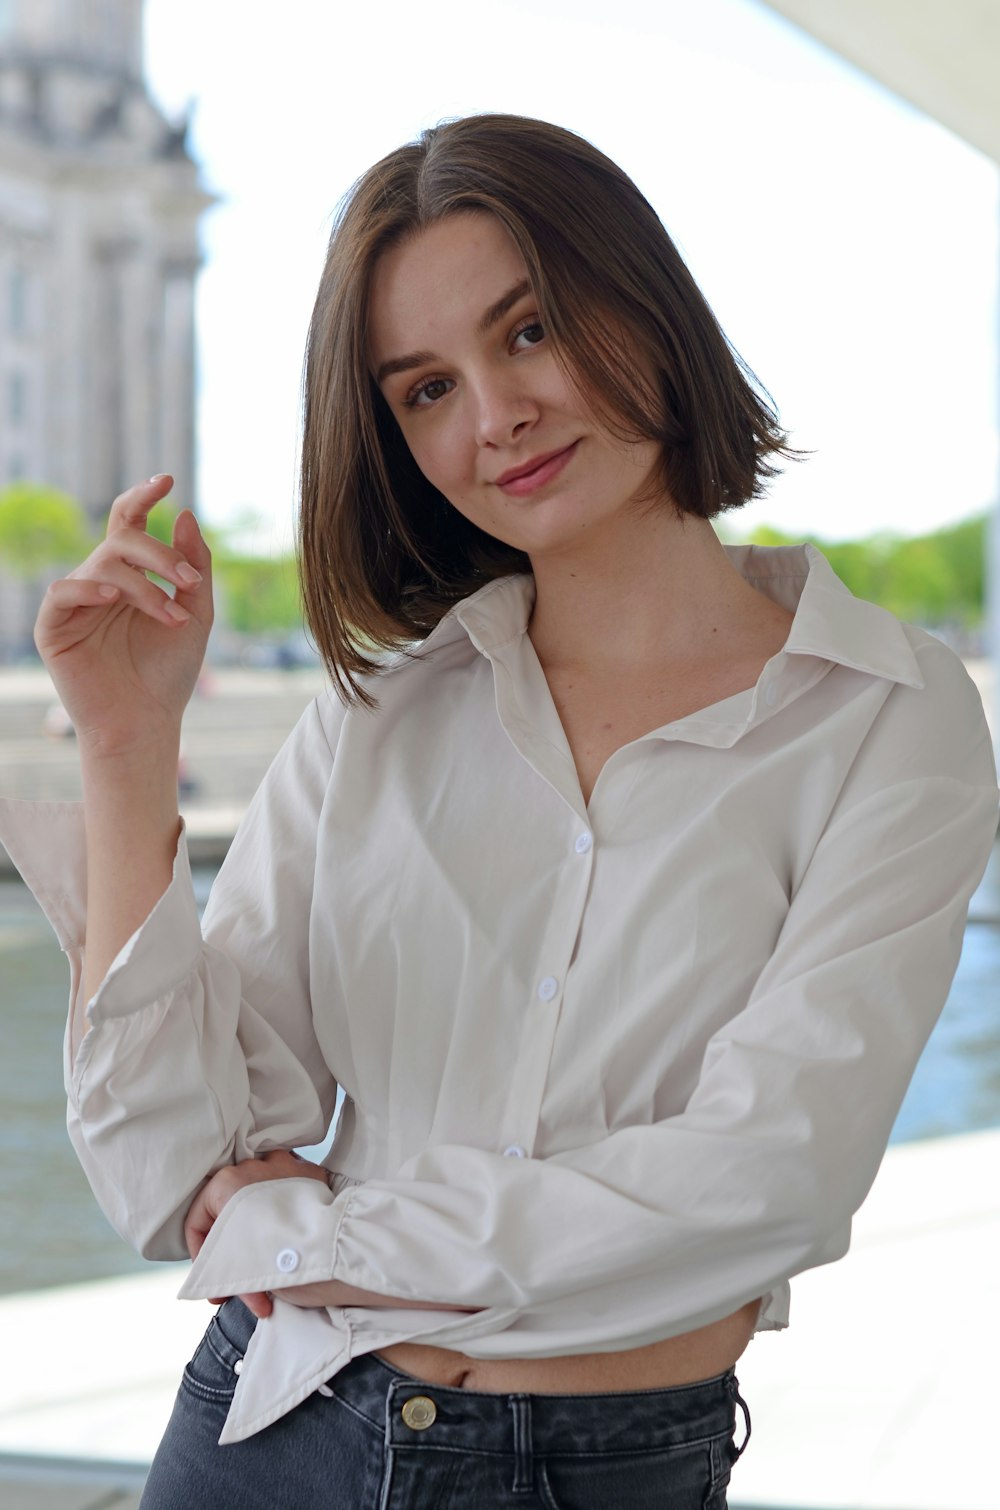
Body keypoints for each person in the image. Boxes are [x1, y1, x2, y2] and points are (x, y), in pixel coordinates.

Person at [1, 113, 997, 1510]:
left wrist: (322, 1237)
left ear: (639, 301)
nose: (494, 415)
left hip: (601, 1467)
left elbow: (769, 1173)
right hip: (266, 1428)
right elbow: (173, 1169)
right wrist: (123, 744)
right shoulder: (379, 714)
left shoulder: (891, 714)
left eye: (527, 332)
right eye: (423, 389)